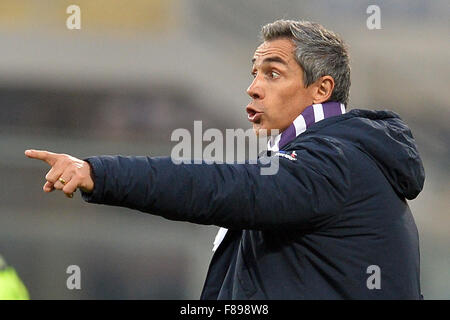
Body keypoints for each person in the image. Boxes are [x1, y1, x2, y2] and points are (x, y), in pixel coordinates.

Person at [24, 20, 425, 299]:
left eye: (272, 73)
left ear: (321, 89)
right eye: (254, 72)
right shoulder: (331, 157)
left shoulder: (337, 162)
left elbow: (223, 185)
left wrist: (101, 172)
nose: (252, 88)